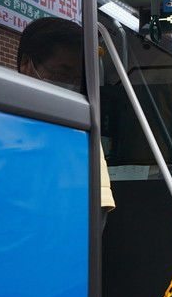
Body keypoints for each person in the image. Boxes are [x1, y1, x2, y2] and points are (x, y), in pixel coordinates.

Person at [17, 17, 115, 221]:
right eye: (62, 74)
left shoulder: (83, 131)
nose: (71, 86)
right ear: (26, 64)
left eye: (79, 80)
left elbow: (98, 212)